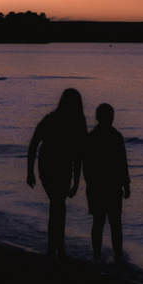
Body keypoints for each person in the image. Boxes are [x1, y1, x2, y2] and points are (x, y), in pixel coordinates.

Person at [26, 88, 87, 258]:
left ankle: (55, 247)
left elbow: (78, 155)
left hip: (54, 168)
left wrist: (30, 171)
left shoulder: (52, 120)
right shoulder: (70, 123)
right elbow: (78, 156)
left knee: (57, 206)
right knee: (58, 205)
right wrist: (29, 172)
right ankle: (56, 248)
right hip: (52, 168)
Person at [83, 103, 132, 263]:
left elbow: (87, 165)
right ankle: (118, 257)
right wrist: (126, 185)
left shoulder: (91, 137)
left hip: (96, 187)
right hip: (112, 187)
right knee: (115, 223)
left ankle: (97, 255)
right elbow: (122, 163)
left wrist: (89, 183)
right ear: (111, 118)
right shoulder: (116, 137)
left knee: (98, 222)